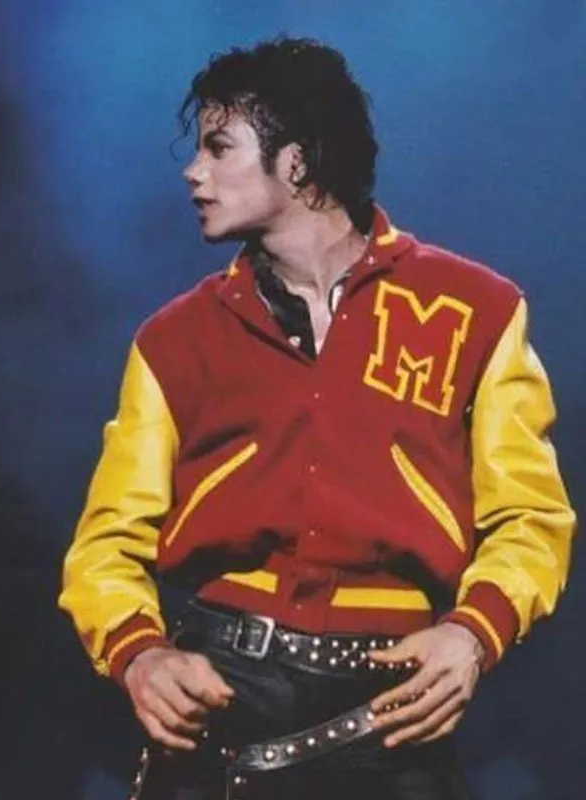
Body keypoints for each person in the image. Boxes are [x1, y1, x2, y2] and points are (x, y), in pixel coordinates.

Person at [59, 36, 575, 800]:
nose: (193, 172)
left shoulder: (477, 311)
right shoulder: (173, 340)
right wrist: (141, 655)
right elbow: (105, 544)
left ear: (297, 162)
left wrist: (473, 634)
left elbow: (531, 516)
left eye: (218, 148)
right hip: (220, 707)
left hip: (394, 712)